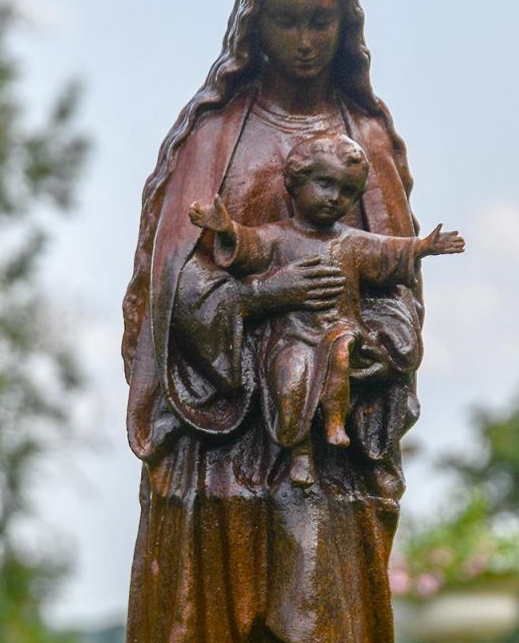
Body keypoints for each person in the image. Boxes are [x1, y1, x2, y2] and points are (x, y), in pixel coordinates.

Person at [118, 0, 435, 643]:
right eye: (289, 19)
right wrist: (260, 297)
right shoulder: (214, 138)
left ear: (348, 27)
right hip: (223, 460)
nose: (307, 38)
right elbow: (172, 292)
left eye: (324, 20)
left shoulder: (366, 140)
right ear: (252, 27)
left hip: (329, 470)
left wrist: (383, 350)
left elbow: (396, 291)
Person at [188, 133, 463, 487]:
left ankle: (334, 422)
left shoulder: (352, 241)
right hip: (292, 337)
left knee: (341, 353)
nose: (335, 198)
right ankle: (299, 451)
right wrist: (225, 227)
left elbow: (387, 252)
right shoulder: (278, 237)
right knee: (290, 382)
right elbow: (248, 246)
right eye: (325, 184)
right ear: (295, 183)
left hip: (340, 328)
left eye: (347, 192)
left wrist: (423, 247)